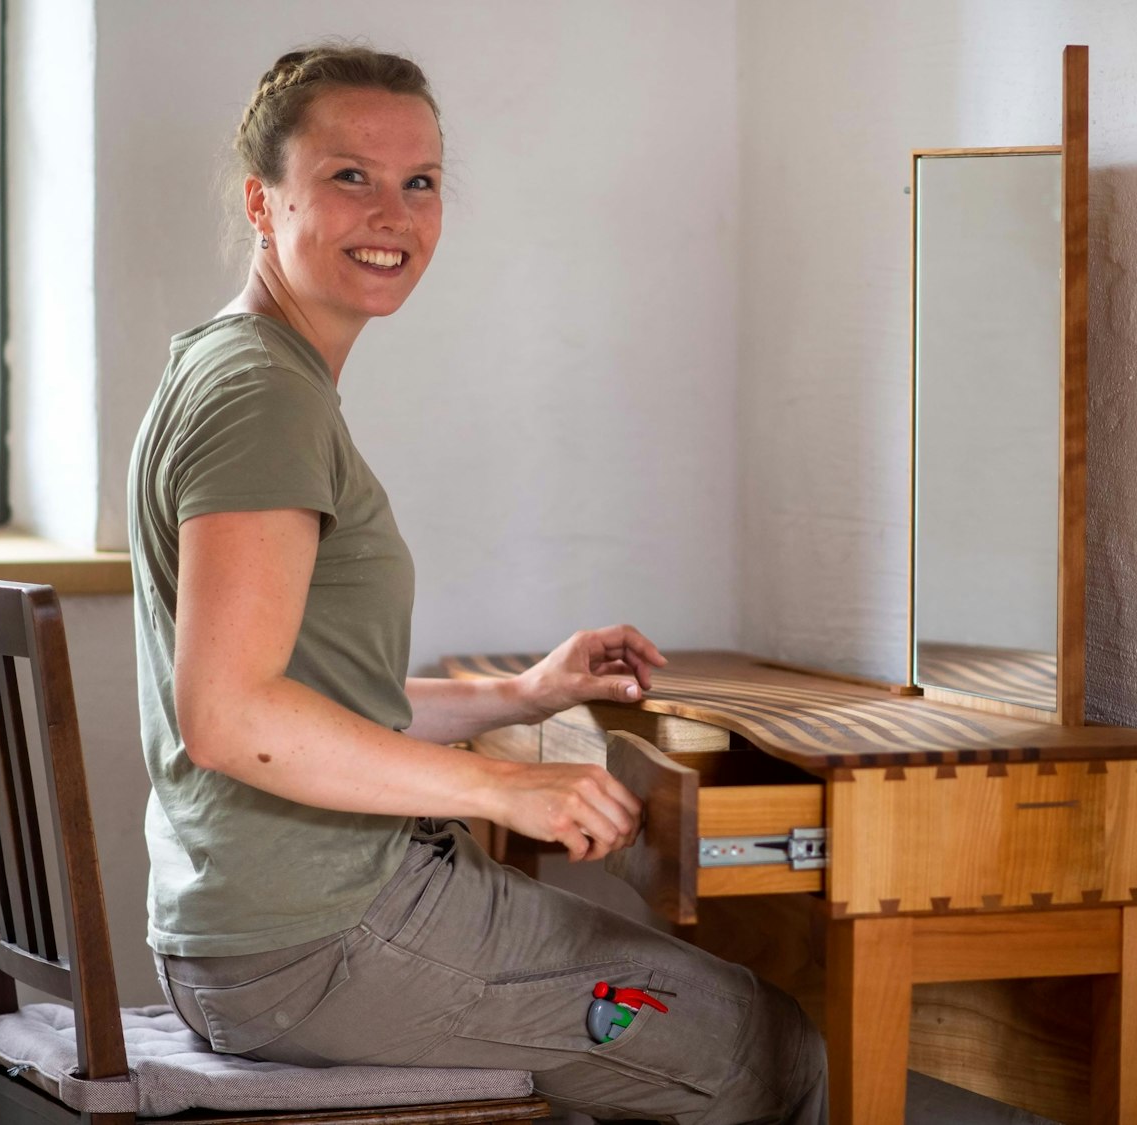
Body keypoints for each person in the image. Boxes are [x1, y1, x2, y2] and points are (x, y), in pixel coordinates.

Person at [125, 43, 827, 1124]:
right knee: (768, 1050)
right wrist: (503, 788)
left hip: (263, 932)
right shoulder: (264, 397)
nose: (393, 214)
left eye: (420, 181)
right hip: (322, 943)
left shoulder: (235, 366)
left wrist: (523, 695)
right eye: (350, 176)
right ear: (264, 202)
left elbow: (314, 702)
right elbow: (231, 718)